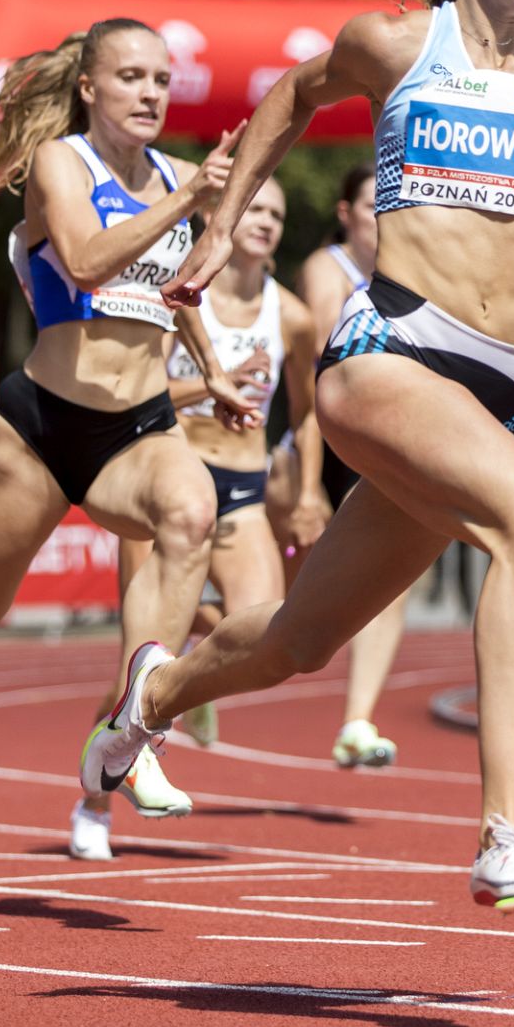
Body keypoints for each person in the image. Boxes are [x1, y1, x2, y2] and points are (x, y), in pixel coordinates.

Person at [81, 0, 514, 918]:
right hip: (388, 355)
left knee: (300, 640)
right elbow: (288, 97)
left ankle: (151, 694)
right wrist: (218, 228)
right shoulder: (398, 42)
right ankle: (505, 836)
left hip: (494, 398)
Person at [0, 19, 259, 832]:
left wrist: (210, 371)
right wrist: (189, 199)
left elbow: (179, 290)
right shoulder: (65, 162)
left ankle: (137, 730)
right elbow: (88, 260)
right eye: (131, 77)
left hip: (138, 428)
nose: (150, 94)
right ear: (90, 88)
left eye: (161, 80)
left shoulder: (176, 175)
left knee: (191, 510)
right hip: (40, 432)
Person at [73, 175, 330, 859]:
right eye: (255, 209)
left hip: (243, 490)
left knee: (272, 634)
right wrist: (215, 383)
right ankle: (93, 804)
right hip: (172, 486)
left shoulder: (292, 315)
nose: (266, 222)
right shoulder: (180, 291)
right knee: (133, 667)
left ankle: (189, 672)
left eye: (278, 214)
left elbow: (308, 414)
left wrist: (309, 491)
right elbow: (142, 387)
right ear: (225, 216)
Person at [289, 166, 414, 769]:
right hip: (316, 435)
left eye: (388, 202)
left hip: (379, 436)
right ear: (345, 214)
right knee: (285, 605)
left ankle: (357, 722)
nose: (381, 214)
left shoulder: (408, 264)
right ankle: (188, 662)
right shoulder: (327, 266)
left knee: (391, 576)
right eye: (370, 204)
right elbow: (322, 344)